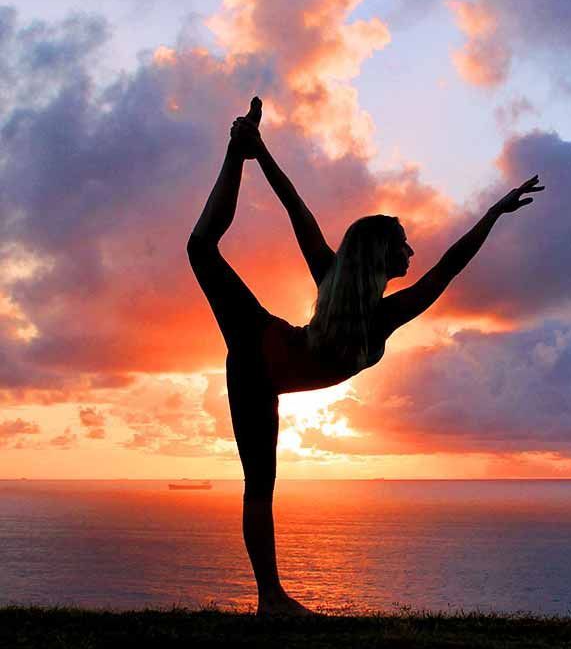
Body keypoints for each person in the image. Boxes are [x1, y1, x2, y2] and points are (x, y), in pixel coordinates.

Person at [187, 97, 545, 616]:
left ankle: (270, 600)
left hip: (259, 359)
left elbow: (447, 262)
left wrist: (494, 212)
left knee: (260, 484)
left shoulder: (375, 307)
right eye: (402, 243)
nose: (410, 251)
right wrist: (258, 155)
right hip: (256, 349)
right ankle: (235, 151)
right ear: (380, 252)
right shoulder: (370, 307)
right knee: (201, 251)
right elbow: (300, 211)